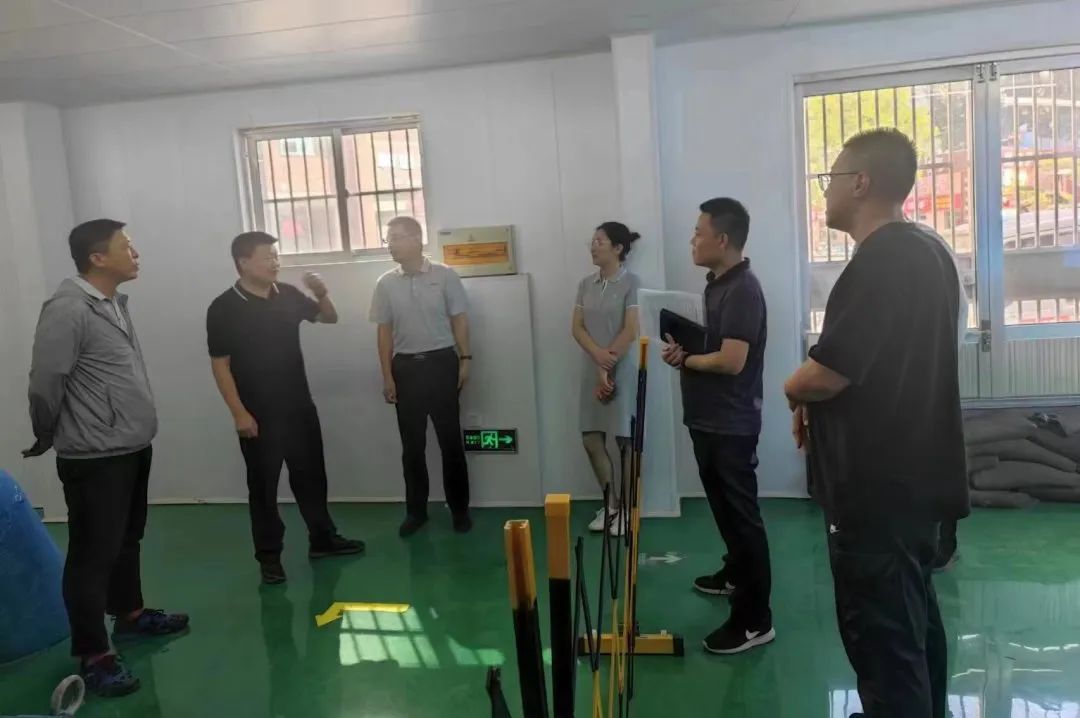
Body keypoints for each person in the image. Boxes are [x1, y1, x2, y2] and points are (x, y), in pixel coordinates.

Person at [784, 128, 969, 718]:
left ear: (861, 183)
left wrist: (793, 389)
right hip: (915, 479)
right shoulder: (929, 251)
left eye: (831, 178)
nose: (825, 191)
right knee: (914, 626)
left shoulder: (881, 260)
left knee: (884, 641)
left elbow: (829, 371)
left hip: (875, 489)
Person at [25, 219, 189, 697]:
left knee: (126, 540)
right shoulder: (67, 309)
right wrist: (46, 432)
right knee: (92, 556)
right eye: (126, 247)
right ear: (97, 258)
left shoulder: (112, 303)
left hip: (130, 445)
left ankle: (131, 614)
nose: (135, 254)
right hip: (94, 455)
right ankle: (94, 653)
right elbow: (45, 381)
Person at [206, 232, 363, 586]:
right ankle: (269, 558)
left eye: (276, 256)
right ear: (244, 262)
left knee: (312, 478)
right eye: (268, 257)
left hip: (299, 406)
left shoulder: (288, 295)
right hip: (258, 415)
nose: (275, 263)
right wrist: (239, 413)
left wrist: (321, 292)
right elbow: (220, 364)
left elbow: (329, 318)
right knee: (263, 488)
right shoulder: (224, 307)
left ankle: (322, 539)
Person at [661, 198, 774, 655]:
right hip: (708, 418)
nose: (692, 239)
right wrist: (687, 351)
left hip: (731, 423)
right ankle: (734, 574)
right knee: (725, 512)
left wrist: (687, 359)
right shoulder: (717, 286)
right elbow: (716, 346)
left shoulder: (743, 289)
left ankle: (755, 620)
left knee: (743, 520)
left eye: (698, 232)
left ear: (722, 239)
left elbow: (731, 360)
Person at [370, 216, 472, 537]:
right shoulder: (385, 283)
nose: (391, 244)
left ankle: (460, 510)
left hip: (442, 363)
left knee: (450, 442)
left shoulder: (445, 275)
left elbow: (459, 320)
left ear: (416, 239)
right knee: (411, 447)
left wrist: (465, 358)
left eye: (397, 237)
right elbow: (384, 332)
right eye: (388, 239)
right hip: (405, 368)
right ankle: (416, 512)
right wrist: (387, 376)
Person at [571, 222, 641, 535]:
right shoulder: (585, 284)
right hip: (592, 368)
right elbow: (577, 327)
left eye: (600, 241)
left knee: (625, 440)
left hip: (622, 368)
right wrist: (598, 359)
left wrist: (608, 363)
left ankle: (627, 510)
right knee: (590, 437)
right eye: (593, 240)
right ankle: (610, 505)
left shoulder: (631, 283)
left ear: (618, 248)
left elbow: (630, 329)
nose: (593, 246)